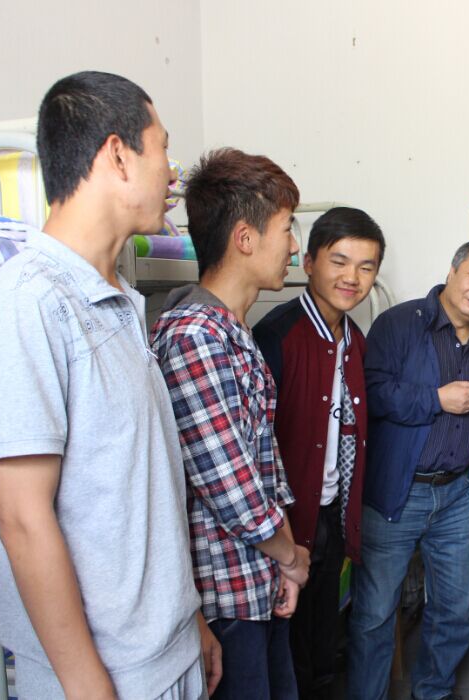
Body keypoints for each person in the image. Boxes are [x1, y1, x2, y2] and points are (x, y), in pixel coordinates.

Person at [0, 71, 219, 699]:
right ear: (117, 155)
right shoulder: (28, 302)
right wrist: (87, 687)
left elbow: (138, 493)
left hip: (167, 652)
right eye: (163, 149)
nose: (172, 175)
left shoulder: (119, 301)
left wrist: (189, 621)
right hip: (107, 678)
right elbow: (23, 520)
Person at [151, 148, 311, 700]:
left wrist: (284, 567)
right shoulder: (195, 337)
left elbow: (263, 464)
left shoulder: (233, 332)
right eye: (287, 229)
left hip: (257, 580)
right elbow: (231, 488)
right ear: (245, 238)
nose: (294, 246)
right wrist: (291, 558)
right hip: (224, 594)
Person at [348, 240, 469, 700]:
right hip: (396, 493)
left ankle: (433, 691)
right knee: (374, 613)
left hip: (456, 494)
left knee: (454, 608)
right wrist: (435, 399)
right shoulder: (399, 324)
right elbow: (371, 392)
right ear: (452, 271)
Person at [253, 207, 386, 698]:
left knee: (324, 638)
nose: (352, 278)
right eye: (339, 261)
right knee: (288, 645)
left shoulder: (355, 341)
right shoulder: (276, 335)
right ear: (308, 263)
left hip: (332, 511)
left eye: (366, 267)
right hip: (285, 521)